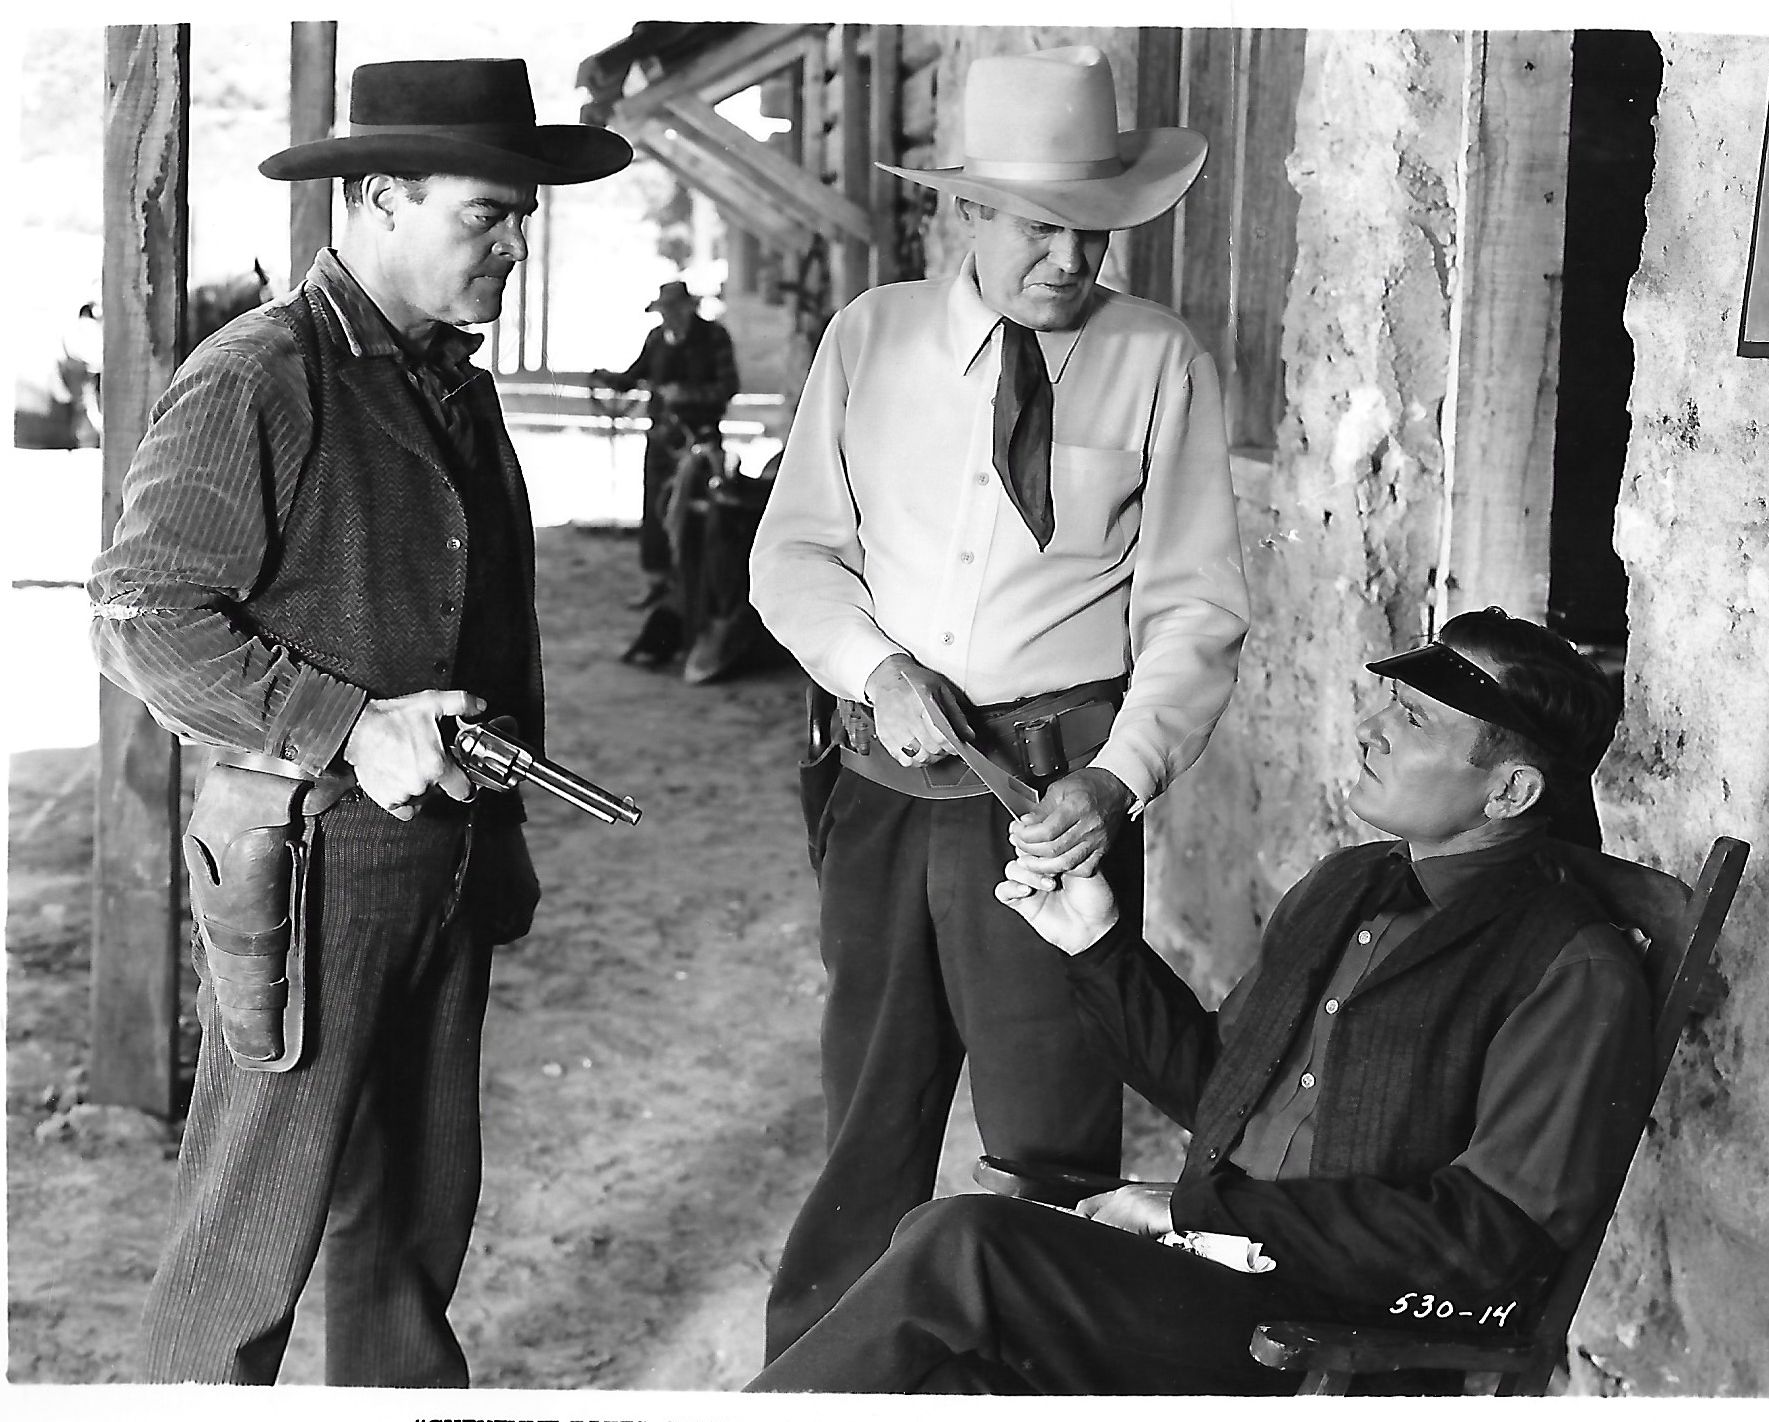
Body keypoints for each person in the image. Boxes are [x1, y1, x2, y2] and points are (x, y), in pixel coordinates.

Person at [86, 58, 632, 1385]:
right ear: (381, 197)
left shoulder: (452, 382)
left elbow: (497, 628)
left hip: (438, 863)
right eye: (485, 214)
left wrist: (495, 840)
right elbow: (140, 615)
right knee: (245, 1250)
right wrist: (346, 722)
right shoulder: (262, 380)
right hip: (311, 869)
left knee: (411, 1218)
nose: (514, 242)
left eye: (522, 216)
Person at [746, 607, 1650, 1394]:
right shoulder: (1353, 886)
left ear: (1512, 788)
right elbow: (1221, 1083)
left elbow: (1492, 1236)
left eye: (1412, 719)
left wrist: (1193, 1212)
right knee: (938, 1352)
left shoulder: (1571, 970)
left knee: (965, 1249)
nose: (1370, 727)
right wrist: (1094, 943)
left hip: (1332, 1331)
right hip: (1211, 1283)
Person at [746, 45, 1251, 1361]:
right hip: (878, 785)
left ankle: (1029, 1370)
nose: (1072, 262)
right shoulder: (870, 339)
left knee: (1048, 1131)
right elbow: (792, 553)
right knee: (868, 1103)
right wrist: (873, 664)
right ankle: (814, 1372)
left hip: (1044, 805)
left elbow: (1194, 607)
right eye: (1042, 229)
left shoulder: (1157, 362)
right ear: (957, 212)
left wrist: (1111, 783)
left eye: (1096, 234)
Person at [598, 279, 740, 613]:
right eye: (665, 311)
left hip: (700, 443)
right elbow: (636, 374)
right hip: (661, 441)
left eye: (675, 310)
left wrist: (687, 394)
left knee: (696, 516)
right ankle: (658, 584)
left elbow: (728, 386)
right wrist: (610, 380)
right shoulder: (657, 339)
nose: (669, 317)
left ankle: (693, 588)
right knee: (655, 512)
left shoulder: (714, 338)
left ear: (690, 308)